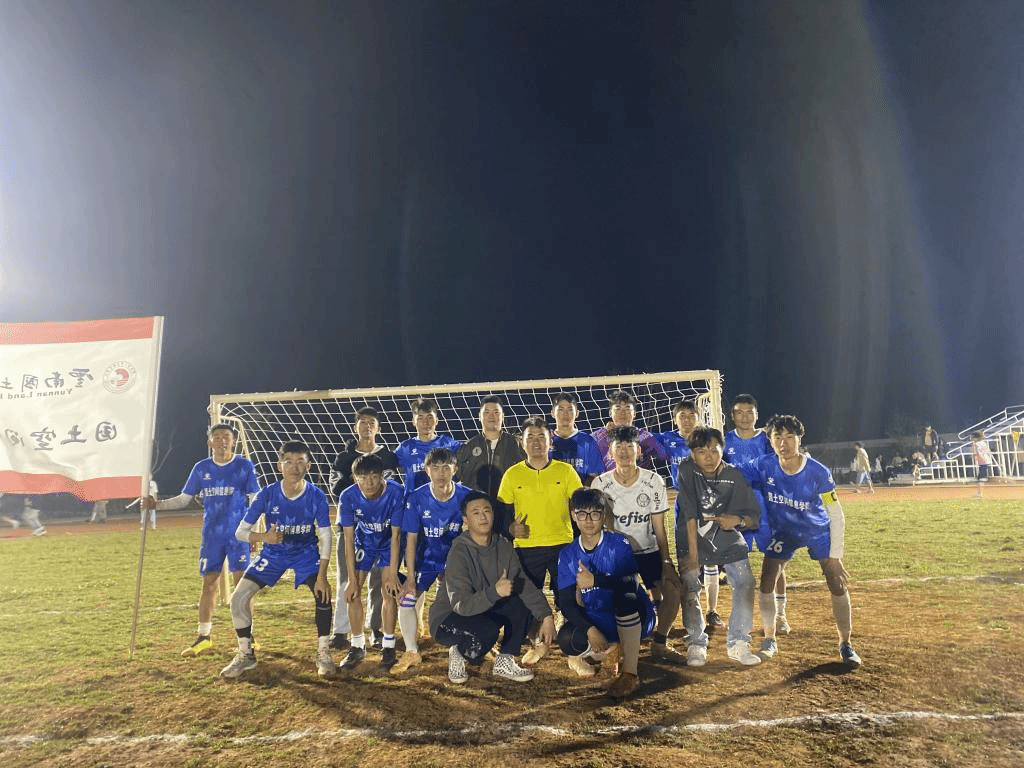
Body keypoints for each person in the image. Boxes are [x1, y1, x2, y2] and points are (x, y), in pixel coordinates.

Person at [740, 415, 862, 667]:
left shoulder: (818, 472)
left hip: (817, 531)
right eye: (777, 437)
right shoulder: (763, 464)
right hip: (785, 531)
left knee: (836, 581)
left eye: (789, 437)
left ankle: (846, 643)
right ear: (770, 439)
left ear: (799, 439)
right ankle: (770, 638)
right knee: (767, 579)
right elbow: (730, 470)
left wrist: (836, 556)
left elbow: (836, 514)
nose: (783, 443)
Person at [220, 440, 336, 679]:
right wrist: (264, 537)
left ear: (308, 466)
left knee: (323, 594)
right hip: (273, 554)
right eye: (289, 462)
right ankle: (246, 654)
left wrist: (323, 576)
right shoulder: (267, 494)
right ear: (279, 465)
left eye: (300, 462)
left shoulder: (316, 495)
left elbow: (326, 535)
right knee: (238, 598)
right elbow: (240, 532)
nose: (295, 467)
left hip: (305, 554)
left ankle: (323, 652)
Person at [146, 424, 260, 657]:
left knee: (242, 586)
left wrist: (254, 532)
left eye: (226, 436)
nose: (222, 440)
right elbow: (183, 499)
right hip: (212, 536)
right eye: (216, 437)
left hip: (239, 535)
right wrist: (156, 505)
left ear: (234, 441)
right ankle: (204, 637)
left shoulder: (244, 465)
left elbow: (256, 499)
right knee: (209, 584)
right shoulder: (201, 468)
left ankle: (248, 637)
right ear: (210, 442)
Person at [429, 491, 555, 684]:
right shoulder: (459, 551)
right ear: (466, 520)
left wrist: (546, 616)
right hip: (448, 619)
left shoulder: (502, 546)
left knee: (520, 602)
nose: (483, 517)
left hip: (481, 609)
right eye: (476, 513)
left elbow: (524, 585)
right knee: (487, 633)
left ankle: (504, 661)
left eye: (486, 511)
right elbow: (461, 605)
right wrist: (495, 592)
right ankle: (459, 651)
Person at [592, 425, 683, 662]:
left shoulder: (653, 481)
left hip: (647, 550)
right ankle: (615, 643)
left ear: (638, 451)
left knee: (673, 588)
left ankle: (660, 642)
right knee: (610, 596)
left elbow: (659, 527)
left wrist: (666, 562)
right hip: (617, 555)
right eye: (618, 447)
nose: (624, 452)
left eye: (629, 446)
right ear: (610, 452)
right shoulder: (600, 484)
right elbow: (602, 527)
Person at [556, 487, 655, 700]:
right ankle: (611, 649)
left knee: (625, 597)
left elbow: (631, 584)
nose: (588, 520)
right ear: (573, 515)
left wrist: (596, 581)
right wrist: (590, 630)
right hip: (599, 616)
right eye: (582, 514)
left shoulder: (619, 543)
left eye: (595, 513)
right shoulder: (567, 554)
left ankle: (630, 673)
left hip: (635, 615)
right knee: (567, 639)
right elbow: (565, 602)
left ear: (603, 515)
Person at [498, 416, 583, 664]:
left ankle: (575, 652)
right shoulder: (512, 475)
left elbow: (580, 508)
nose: (536, 442)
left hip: (563, 547)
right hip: (527, 548)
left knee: (569, 599)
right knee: (527, 600)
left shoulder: (566, 472)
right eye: (530, 437)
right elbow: (503, 517)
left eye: (541, 437)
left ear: (550, 441)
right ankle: (537, 644)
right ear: (522, 442)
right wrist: (511, 528)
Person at [675, 427, 762, 667]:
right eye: (702, 451)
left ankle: (739, 642)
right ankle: (696, 642)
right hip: (692, 537)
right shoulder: (686, 470)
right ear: (693, 454)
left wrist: (738, 521)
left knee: (745, 581)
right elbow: (689, 513)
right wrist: (693, 556)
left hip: (726, 536)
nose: (709, 457)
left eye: (714, 450)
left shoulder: (733, 475)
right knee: (690, 583)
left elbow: (754, 516)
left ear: (723, 450)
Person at [392, 447, 473, 674]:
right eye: (435, 468)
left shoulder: (467, 496)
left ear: (455, 470)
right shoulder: (417, 498)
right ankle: (411, 651)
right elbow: (410, 539)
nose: (440, 473)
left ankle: (474, 640)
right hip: (426, 560)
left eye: (446, 468)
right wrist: (410, 577)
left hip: (457, 561)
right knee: (407, 598)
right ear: (427, 470)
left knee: (470, 598)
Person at [328, 406, 400, 651]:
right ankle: (341, 631)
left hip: (382, 531)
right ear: (355, 427)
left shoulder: (387, 456)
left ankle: (376, 629)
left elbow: (389, 487)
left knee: (380, 581)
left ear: (378, 428)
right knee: (347, 579)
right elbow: (336, 487)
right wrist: (359, 490)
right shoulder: (344, 457)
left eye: (372, 422)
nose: (367, 426)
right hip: (352, 528)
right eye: (363, 422)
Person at [655, 400, 725, 629]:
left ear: (698, 417)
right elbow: (642, 439)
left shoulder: (709, 440)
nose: (687, 420)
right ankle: (691, 613)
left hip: (709, 503)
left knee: (711, 559)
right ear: (675, 419)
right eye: (682, 415)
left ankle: (712, 611)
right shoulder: (667, 440)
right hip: (684, 505)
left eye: (691, 415)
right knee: (687, 560)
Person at [724, 393, 789, 631]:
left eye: (749, 412)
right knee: (737, 564)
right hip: (735, 508)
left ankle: (780, 615)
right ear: (732, 416)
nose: (745, 417)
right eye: (739, 412)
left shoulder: (767, 440)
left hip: (765, 507)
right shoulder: (724, 440)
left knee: (775, 561)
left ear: (757, 415)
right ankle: (741, 616)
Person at [337, 454, 405, 671]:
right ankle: (357, 646)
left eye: (374, 476)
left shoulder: (396, 492)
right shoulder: (348, 496)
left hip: (388, 543)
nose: (369, 483)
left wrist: (392, 573)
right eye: (363, 478)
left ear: (382, 476)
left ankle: (388, 646)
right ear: (355, 478)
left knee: (389, 591)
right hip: (363, 544)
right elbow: (348, 539)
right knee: (353, 592)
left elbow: (396, 536)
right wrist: (351, 579)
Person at [455, 395, 525, 498]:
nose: (492, 416)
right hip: (478, 504)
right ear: (479, 416)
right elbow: (457, 479)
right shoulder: (468, 446)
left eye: (496, 412)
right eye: (487, 412)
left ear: (503, 416)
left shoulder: (516, 444)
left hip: (506, 503)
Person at [394, 398, 462, 495]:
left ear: (436, 420)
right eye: (420, 418)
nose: (426, 422)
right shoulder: (405, 448)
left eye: (430, 417)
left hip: (444, 501)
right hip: (414, 502)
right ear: (413, 421)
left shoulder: (451, 445)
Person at [591, 389, 669, 474]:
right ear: (610, 413)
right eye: (618, 408)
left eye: (627, 409)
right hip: (607, 481)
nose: (623, 413)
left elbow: (664, 456)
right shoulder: (598, 437)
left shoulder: (645, 437)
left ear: (634, 413)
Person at [549, 392, 605, 485]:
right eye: (561, 410)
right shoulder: (546, 441)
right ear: (552, 413)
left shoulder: (587, 441)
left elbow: (595, 475)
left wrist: (583, 491)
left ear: (577, 413)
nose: (565, 414)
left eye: (570, 409)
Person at [973, 431, 996, 498]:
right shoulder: (984, 443)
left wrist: (976, 457)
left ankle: (980, 494)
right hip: (986, 461)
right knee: (980, 478)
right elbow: (989, 452)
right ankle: (978, 493)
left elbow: (976, 453)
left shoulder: (976, 444)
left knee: (980, 479)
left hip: (983, 462)